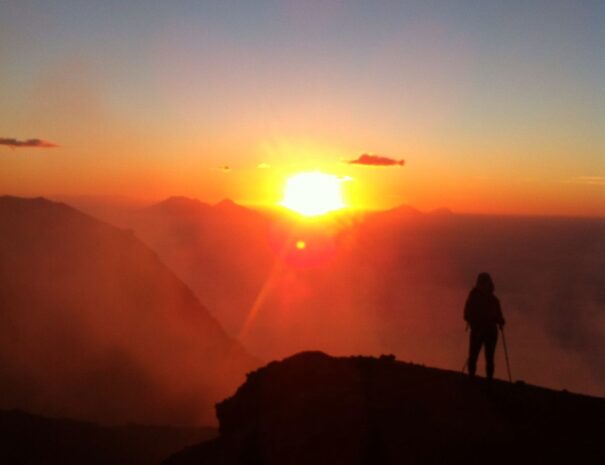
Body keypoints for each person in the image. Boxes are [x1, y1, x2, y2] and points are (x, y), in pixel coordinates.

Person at [464, 272, 505, 380]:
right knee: (475, 356)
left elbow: (500, 317)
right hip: (480, 330)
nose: (484, 285)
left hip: (488, 332)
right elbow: (467, 314)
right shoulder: (480, 297)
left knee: (487, 357)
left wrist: (500, 321)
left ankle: (485, 379)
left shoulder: (492, 300)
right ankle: (474, 378)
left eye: (485, 282)